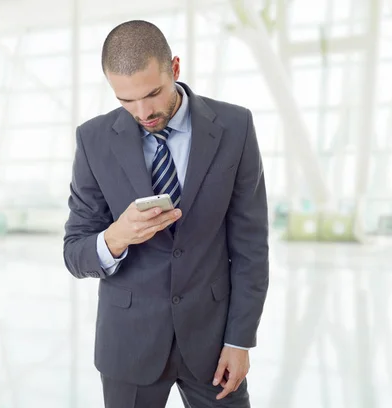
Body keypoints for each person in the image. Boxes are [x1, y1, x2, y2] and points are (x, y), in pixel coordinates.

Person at [63, 20, 269, 408]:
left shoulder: (235, 127)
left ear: (174, 68)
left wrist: (239, 340)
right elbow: (74, 252)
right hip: (129, 346)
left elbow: (251, 246)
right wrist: (116, 237)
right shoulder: (92, 140)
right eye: (126, 100)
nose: (143, 112)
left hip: (213, 342)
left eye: (153, 93)